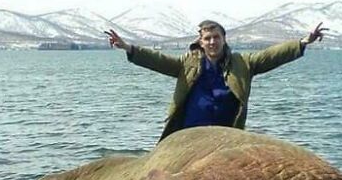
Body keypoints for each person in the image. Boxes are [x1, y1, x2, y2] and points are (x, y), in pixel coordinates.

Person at [104, 20, 327, 141]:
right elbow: (158, 60)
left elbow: (271, 55)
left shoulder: (243, 63)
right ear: (201, 42)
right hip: (188, 136)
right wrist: (128, 47)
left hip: (226, 137)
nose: (212, 42)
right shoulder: (187, 64)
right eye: (207, 38)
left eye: (216, 37)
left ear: (223, 39)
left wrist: (303, 42)